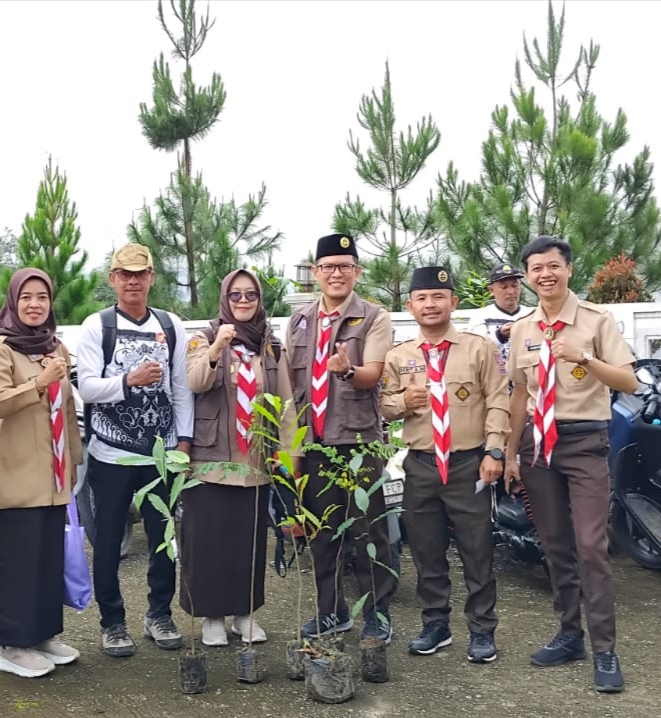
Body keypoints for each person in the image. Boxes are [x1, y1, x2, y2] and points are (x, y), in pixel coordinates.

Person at [504, 235, 637, 693]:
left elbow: (631, 381)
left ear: (568, 269)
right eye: (536, 268)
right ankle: (569, 635)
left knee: (591, 547)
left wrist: (585, 358)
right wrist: (508, 452)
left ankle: (605, 650)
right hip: (537, 447)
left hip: (583, 442)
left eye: (553, 266)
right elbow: (520, 393)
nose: (545, 274)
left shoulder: (597, 320)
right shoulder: (522, 329)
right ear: (526, 277)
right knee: (555, 545)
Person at [380, 266, 509, 663]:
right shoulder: (399, 355)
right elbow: (384, 409)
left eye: (438, 297)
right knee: (426, 549)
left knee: (477, 548)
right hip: (420, 465)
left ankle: (482, 629)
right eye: (422, 298)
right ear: (410, 305)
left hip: (468, 462)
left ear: (453, 301)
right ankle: (435, 623)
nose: (430, 304)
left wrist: (495, 451)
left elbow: (498, 399)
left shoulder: (478, 347)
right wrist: (405, 403)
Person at [76, 243, 194, 658]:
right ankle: (112, 622)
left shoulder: (171, 324)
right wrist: (129, 380)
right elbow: (87, 386)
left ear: (151, 278)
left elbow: (180, 386)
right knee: (108, 541)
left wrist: (184, 441)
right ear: (112, 279)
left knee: (163, 539)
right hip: (111, 454)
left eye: (140, 274)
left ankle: (159, 613)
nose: (132, 281)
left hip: (159, 454)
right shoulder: (97, 326)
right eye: (124, 274)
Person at [284, 233, 397, 642]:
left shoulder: (373, 316)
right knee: (323, 534)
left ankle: (377, 613)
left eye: (344, 267)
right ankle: (331, 612)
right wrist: (292, 449)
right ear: (315, 273)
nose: (336, 274)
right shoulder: (298, 321)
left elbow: (374, 374)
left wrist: (348, 370)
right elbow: (290, 390)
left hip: (357, 442)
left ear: (357, 272)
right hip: (313, 444)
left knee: (369, 532)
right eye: (328, 267)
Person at [183, 269, 297, 646]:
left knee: (247, 541)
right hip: (212, 457)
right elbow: (195, 382)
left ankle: (245, 613)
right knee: (210, 540)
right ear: (224, 299)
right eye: (236, 296)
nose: (244, 301)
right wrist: (217, 348)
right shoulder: (203, 338)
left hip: (254, 458)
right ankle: (212, 616)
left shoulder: (271, 345)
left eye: (250, 295)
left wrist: (286, 450)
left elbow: (284, 401)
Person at [0, 268, 84, 678]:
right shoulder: (0, 349)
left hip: (55, 473)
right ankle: (11, 644)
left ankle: (41, 634)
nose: (35, 304)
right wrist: (39, 382)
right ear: (13, 302)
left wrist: (74, 462)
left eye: (42, 297)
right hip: (19, 472)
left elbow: (69, 411)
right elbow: (0, 403)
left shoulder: (56, 347)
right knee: (18, 560)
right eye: (27, 297)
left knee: (46, 558)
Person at [470, 262, 531, 363]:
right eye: (504, 287)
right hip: (494, 376)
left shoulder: (530, 315)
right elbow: (474, 351)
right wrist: (499, 336)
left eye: (514, 285)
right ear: (491, 290)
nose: (511, 291)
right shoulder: (480, 318)